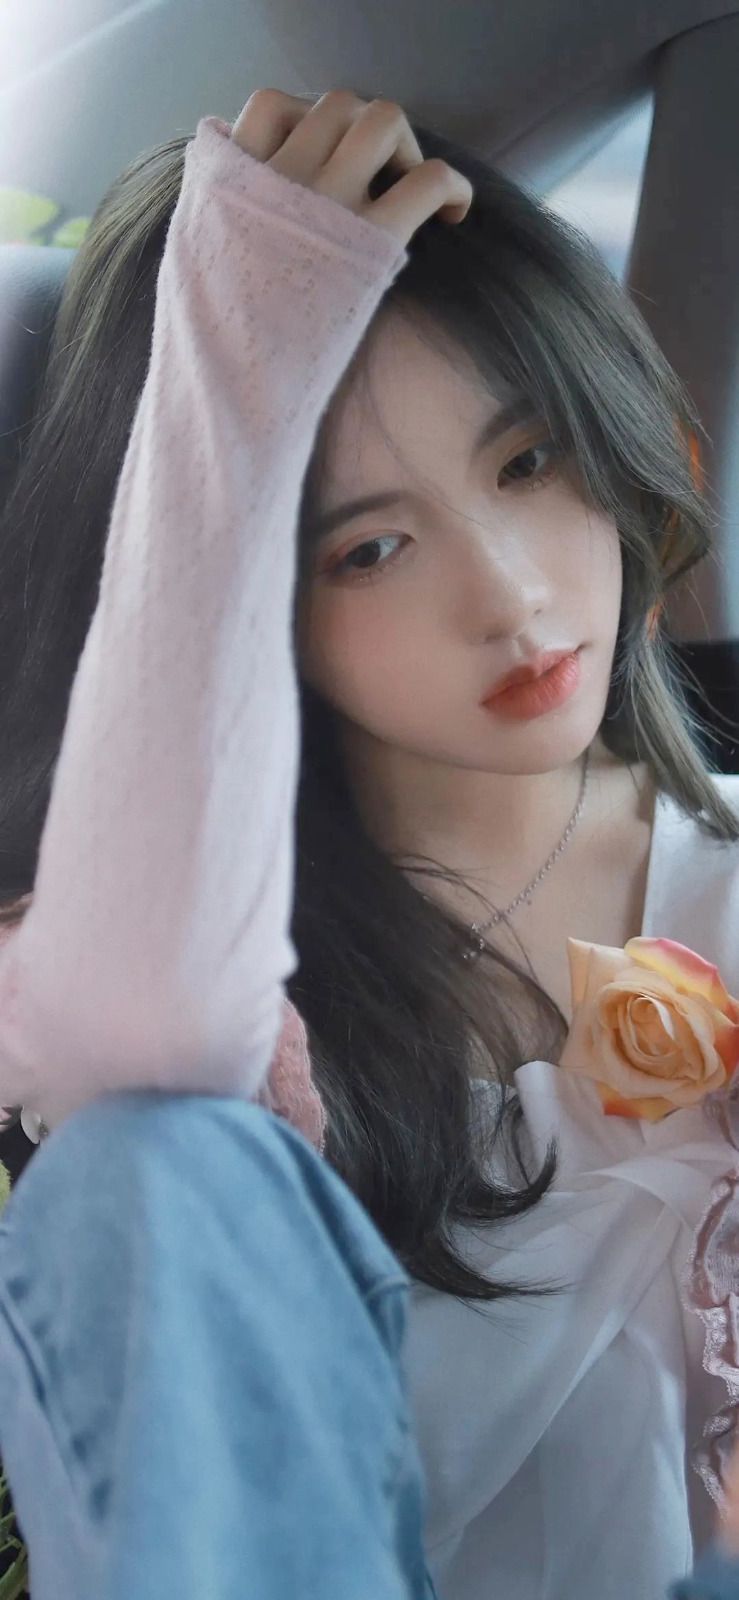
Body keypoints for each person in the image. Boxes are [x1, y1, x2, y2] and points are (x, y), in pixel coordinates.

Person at [0, 85, 737, 1600]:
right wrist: (235, 382)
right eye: (370, 547)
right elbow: (134, 1067)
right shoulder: (190, 988)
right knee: (140, 1161)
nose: (511, 596)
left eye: (529, 463)